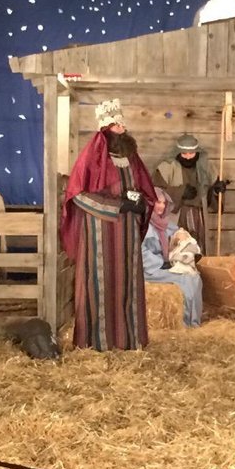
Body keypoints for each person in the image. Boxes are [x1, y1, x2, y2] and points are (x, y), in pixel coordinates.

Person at [59, 99, 157, 351]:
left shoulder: (132, 159)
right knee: (99, 284)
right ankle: (96, 342)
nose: (121, 128)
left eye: (122, 123)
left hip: (128, 236)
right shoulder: (90, 158)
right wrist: (116, 206)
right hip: (99, 235)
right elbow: (77, 195)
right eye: (115, 124)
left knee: (128, 285)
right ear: (104, 128)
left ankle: (129, 340)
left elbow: (144, 191)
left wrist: (141, 204)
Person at [153, 132, 227, 255]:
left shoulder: (206, 168)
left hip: (199, 215)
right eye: (184, 153)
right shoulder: (166, 168)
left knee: (198, 248)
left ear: (197, 153)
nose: (188, 157)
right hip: (176, 215)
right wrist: (180, 192)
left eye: (191, 153)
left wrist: (216, 191)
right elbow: (156, 192)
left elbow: (212, 193)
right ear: (177, 153)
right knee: (177, 248)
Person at [141, 189, 203, 328]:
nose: (161, 206)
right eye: (158, 202)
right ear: (149, 203)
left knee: (194, 277)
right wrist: (163, 262)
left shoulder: (167, 225)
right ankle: (185, 323)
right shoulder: (142, 225)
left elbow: (179, 239)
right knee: (185, 280)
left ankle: (195, 322)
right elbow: (140, 251)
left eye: (164, 203)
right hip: (150, 270)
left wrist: (182, 239)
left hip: (167, 266)